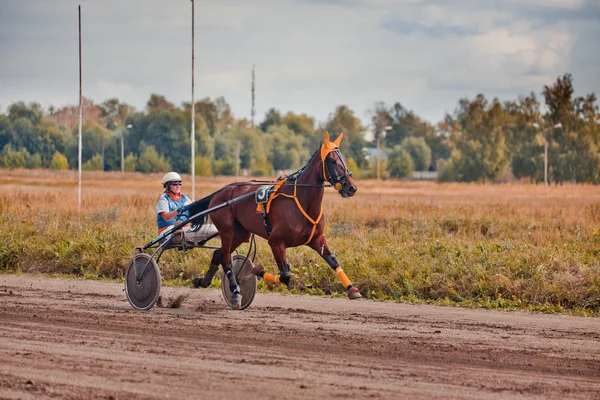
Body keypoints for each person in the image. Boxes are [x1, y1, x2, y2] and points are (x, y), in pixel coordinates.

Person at [156, 172, 218, 244]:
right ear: (167, 186)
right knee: (180, 229)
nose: (178, 186)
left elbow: (194, 212)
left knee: (214, 229)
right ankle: (180, 233)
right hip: (167, 232)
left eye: (179, 184)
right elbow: (166, 218)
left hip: (185, 229)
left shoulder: (185, 198)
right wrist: (178, 210)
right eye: (175, 184)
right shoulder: (163, 199)